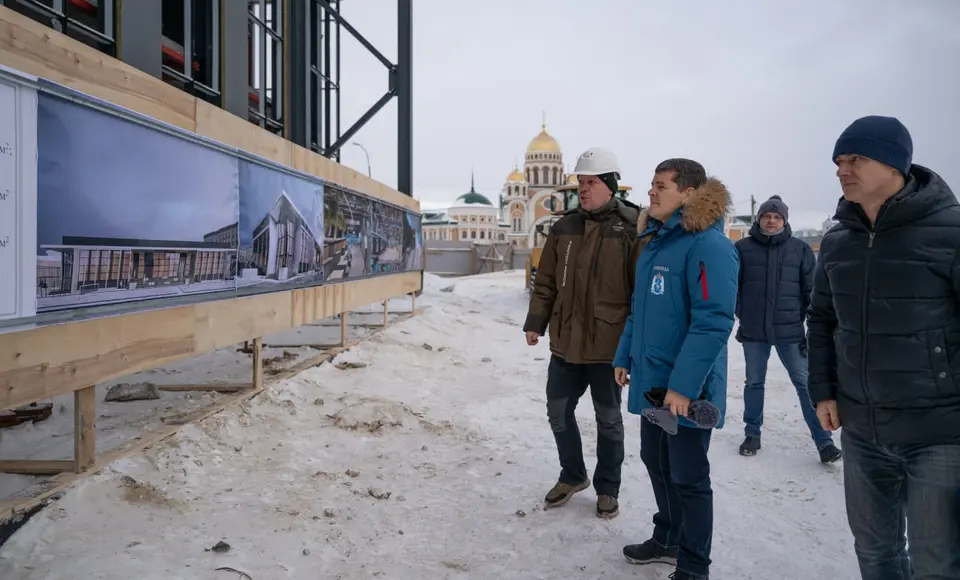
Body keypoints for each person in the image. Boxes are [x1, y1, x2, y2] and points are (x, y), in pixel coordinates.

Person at [808, 115, 960, 580]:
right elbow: (822, 320)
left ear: (895, 164)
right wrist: (823, 390)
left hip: (938, 433)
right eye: (838, 160)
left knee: (937, 564)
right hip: (862, 428)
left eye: (856, 158)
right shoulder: (837, 240)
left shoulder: (950, 232)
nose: (842, 169)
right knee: (875, 554)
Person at [614, 158, 738, 580]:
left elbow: (713, 321)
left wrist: (684, 388)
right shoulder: (657, 241)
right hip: (654, 385)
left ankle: (693, 566)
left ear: (687, 193)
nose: (651, 192)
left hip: (687, 391)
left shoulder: (708, 246)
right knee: (656, 460)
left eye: (660, 185)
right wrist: (623, 355)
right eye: (651, 184)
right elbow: (641, 308)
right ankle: (667, 537)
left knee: (688, 476)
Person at [523, 146, 643, 519]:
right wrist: (535, 322)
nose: (584, 189)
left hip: (608, 347)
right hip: (565, 342)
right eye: (580, 182)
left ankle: (608, 487)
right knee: (558, 412)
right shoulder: (564, 226)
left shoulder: (631, 227)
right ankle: (573, 475)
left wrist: (633, 346)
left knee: (608, 420)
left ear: (610, 184)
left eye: (591, 182)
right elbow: (545, 282)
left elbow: (639, 294)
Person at [733, 195, 842, 462]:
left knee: (805, 384)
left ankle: (823, 441)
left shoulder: (800, 250)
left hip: (790, 331)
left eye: (777, 217)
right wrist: (742, 312)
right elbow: (732, 286)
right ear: (759, 219)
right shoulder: (742, 248)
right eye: (767, 216)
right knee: (754, 383)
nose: (771, 221)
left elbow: (812, 292)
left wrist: (810, 325)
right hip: (754, 331)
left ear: (784, 220)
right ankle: (752, 433)